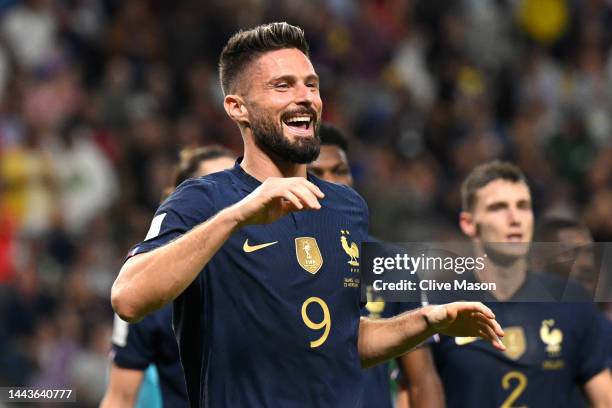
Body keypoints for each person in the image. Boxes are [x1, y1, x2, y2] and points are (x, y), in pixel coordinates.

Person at [111, 22, 505, 407]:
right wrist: (237, 216)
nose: (306, 97)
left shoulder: (346, 208)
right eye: (282, 85)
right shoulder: (204, 200)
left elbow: (340, 343)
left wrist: (427, 320)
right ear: (237, 108)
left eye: (311, 84)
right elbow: (128, 298)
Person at [430, 161, 612, 407]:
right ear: (468, 223)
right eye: (498, 208)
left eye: (523, 206)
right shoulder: (439, 305)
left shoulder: (571, 301)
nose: (515, 218)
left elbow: (604, 398)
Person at [308, 123, 444, 408]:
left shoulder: (390, 264)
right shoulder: (272, 253)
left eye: (340, 171)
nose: (332, 182)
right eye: (317, 173)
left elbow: (421, 379)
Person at [101, 146, 235, 408]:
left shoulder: (276, 271)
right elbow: (120, 398)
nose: (234, 205)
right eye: (213, 190)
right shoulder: (147, 294)